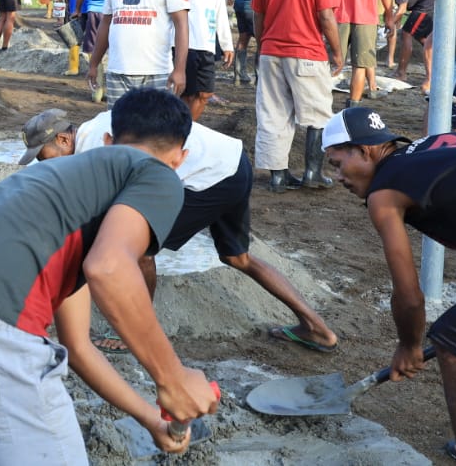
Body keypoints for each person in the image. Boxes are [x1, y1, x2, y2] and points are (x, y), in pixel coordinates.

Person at [0, 88, 220, 463]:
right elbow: (109, 268)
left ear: (108, 141)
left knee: (9, 435)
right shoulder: (156, 173)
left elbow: (79, 348)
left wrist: (150, 417)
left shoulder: (67, 191)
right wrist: (173, 378)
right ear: (180, 158)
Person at [20, 100, 337, 353]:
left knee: (138, 250)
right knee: (237, 257)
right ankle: (316, 328)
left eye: (44, 157)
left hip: (210, 178)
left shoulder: (94, 150)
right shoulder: (99, 126)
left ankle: (137, 329)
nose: (45, 165)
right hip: (233, 162)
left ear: (63, 139)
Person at [324, 107, 456, 466]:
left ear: (364, 150)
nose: (337, 176)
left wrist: (409, 345)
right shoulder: (429, 148)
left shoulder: (384, 194)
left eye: (336, 163)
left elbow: (409, 296)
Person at [252, 0, 343, 193]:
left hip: (271, 52)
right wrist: (337, 52)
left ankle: (278, 176)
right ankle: (312, 172)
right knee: (317, 114)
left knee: (273, 113)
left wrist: (263, 44)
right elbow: (326, 16)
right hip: (307, 52)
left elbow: (258, 15)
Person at [180, 0, 234, 120]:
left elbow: (219, 9)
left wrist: (226, 44)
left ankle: (187, 128)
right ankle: (181, 130)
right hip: (185, 44)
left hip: (207, 44)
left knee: (205, 93)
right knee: (186, 94)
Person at [390, 0, 436, 89]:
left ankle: (401, 73)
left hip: (427, 2)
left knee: (407, 33)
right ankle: (438, 67)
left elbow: (402, 8)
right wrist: (395, 20)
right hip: (423, 1)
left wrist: (390, 23)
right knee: (423, 38)